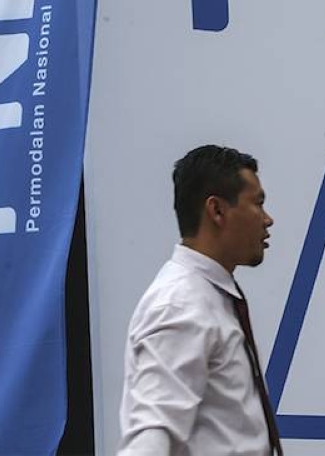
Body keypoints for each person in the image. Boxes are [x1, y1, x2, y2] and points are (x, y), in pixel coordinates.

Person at [119, 145, 283, 456]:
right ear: (217, 210)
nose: (267, 219)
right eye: (258, 203)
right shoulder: (179, 306)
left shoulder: (208, 296)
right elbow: (151, 435)